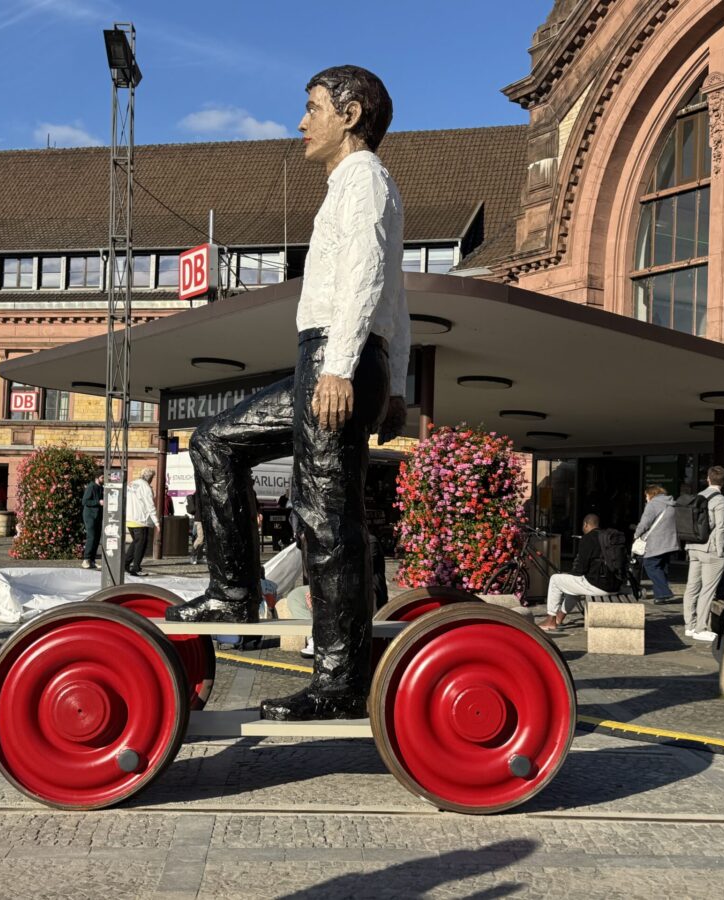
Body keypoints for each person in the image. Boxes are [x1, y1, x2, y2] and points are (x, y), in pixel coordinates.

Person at [166, 65, 408, 722]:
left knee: (326, 518)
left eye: (312, 108)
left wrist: (340, 367)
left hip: (336, 354)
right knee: (215, 441)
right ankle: (233, 593)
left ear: (349, 114)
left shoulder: (363, 182)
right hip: (338, 355)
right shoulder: (354, 187)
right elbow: (399, 297)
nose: (302, 122)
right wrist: (396, 382)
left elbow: (364, 280)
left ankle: (339, 682)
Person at [538, 514, 622, 631]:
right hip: (615, 586)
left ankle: (550, 620)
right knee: (574, 585)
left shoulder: (588, 539)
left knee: (555, 579)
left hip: (599, 586)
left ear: (586, 525)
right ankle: (559, 617)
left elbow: (581, 569)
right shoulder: (607, 538)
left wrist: (570, 573)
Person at [682, 466, 724, 642]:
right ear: (723, 482)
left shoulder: (697, 496)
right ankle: (701, 628)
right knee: (708, 590)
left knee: (692, 587)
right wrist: (721, 550)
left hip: (693, 546)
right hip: (710, 549)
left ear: (708, 479)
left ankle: (689, 625)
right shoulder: (721, 500)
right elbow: (721, 527)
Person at [633, 485, 678, 604]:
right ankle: (660, 597)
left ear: (651, 494)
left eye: (646, 496)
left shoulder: (652, 504)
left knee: (650, 565)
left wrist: (636, 534)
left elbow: (645, 523)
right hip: (670, 542)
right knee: (662, 568)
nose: (646, 498)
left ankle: (664, 592)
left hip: (656, 543)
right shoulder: (672, 504)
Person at [124, 467, 159, 576]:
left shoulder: (131, 484)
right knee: (141, 544)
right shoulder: (146, 487)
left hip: (130, 518)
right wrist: (157, 522)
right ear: (150, 477)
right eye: (152, 477)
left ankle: (125, 564)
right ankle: (136, 568)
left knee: (136, 543)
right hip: (141, 519)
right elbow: (150, 505)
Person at [81, 469, 104, 570]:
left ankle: (92, 560)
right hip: (90, 516)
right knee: (91, 537)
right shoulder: (91, 487)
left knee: (97, 538)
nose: (104, 479)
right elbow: (85, 501)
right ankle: (86, 559)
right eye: (102, 477)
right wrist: (98, 502)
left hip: (98, 516)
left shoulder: (101, 487)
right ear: (97, 478)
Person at [185, 491, 204, 565]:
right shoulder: (199, 494)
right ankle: (193, 555)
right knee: (200, 538)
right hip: (199, 519)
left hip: (199, 519)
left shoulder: (198, 494)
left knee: (201, 539)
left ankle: (199, 557)